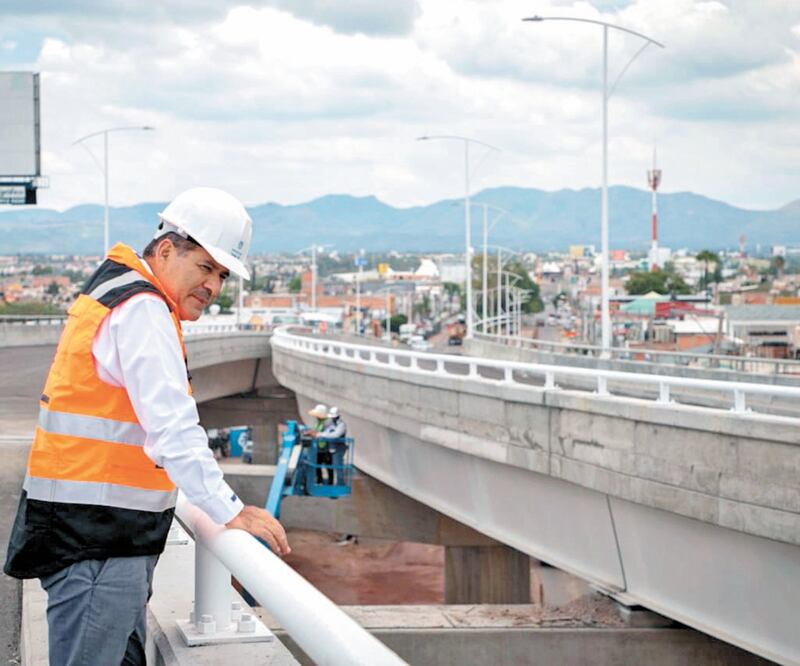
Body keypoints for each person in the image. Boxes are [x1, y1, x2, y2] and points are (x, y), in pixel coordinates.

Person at [4, 187, 290, 666]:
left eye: (221, 275)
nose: (214, 287)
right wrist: (228, 510)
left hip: (98, 534)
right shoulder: (143, 309)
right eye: (205, 268)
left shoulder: (121, 293)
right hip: (96, 542)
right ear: (165, 250)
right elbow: (173, 429)